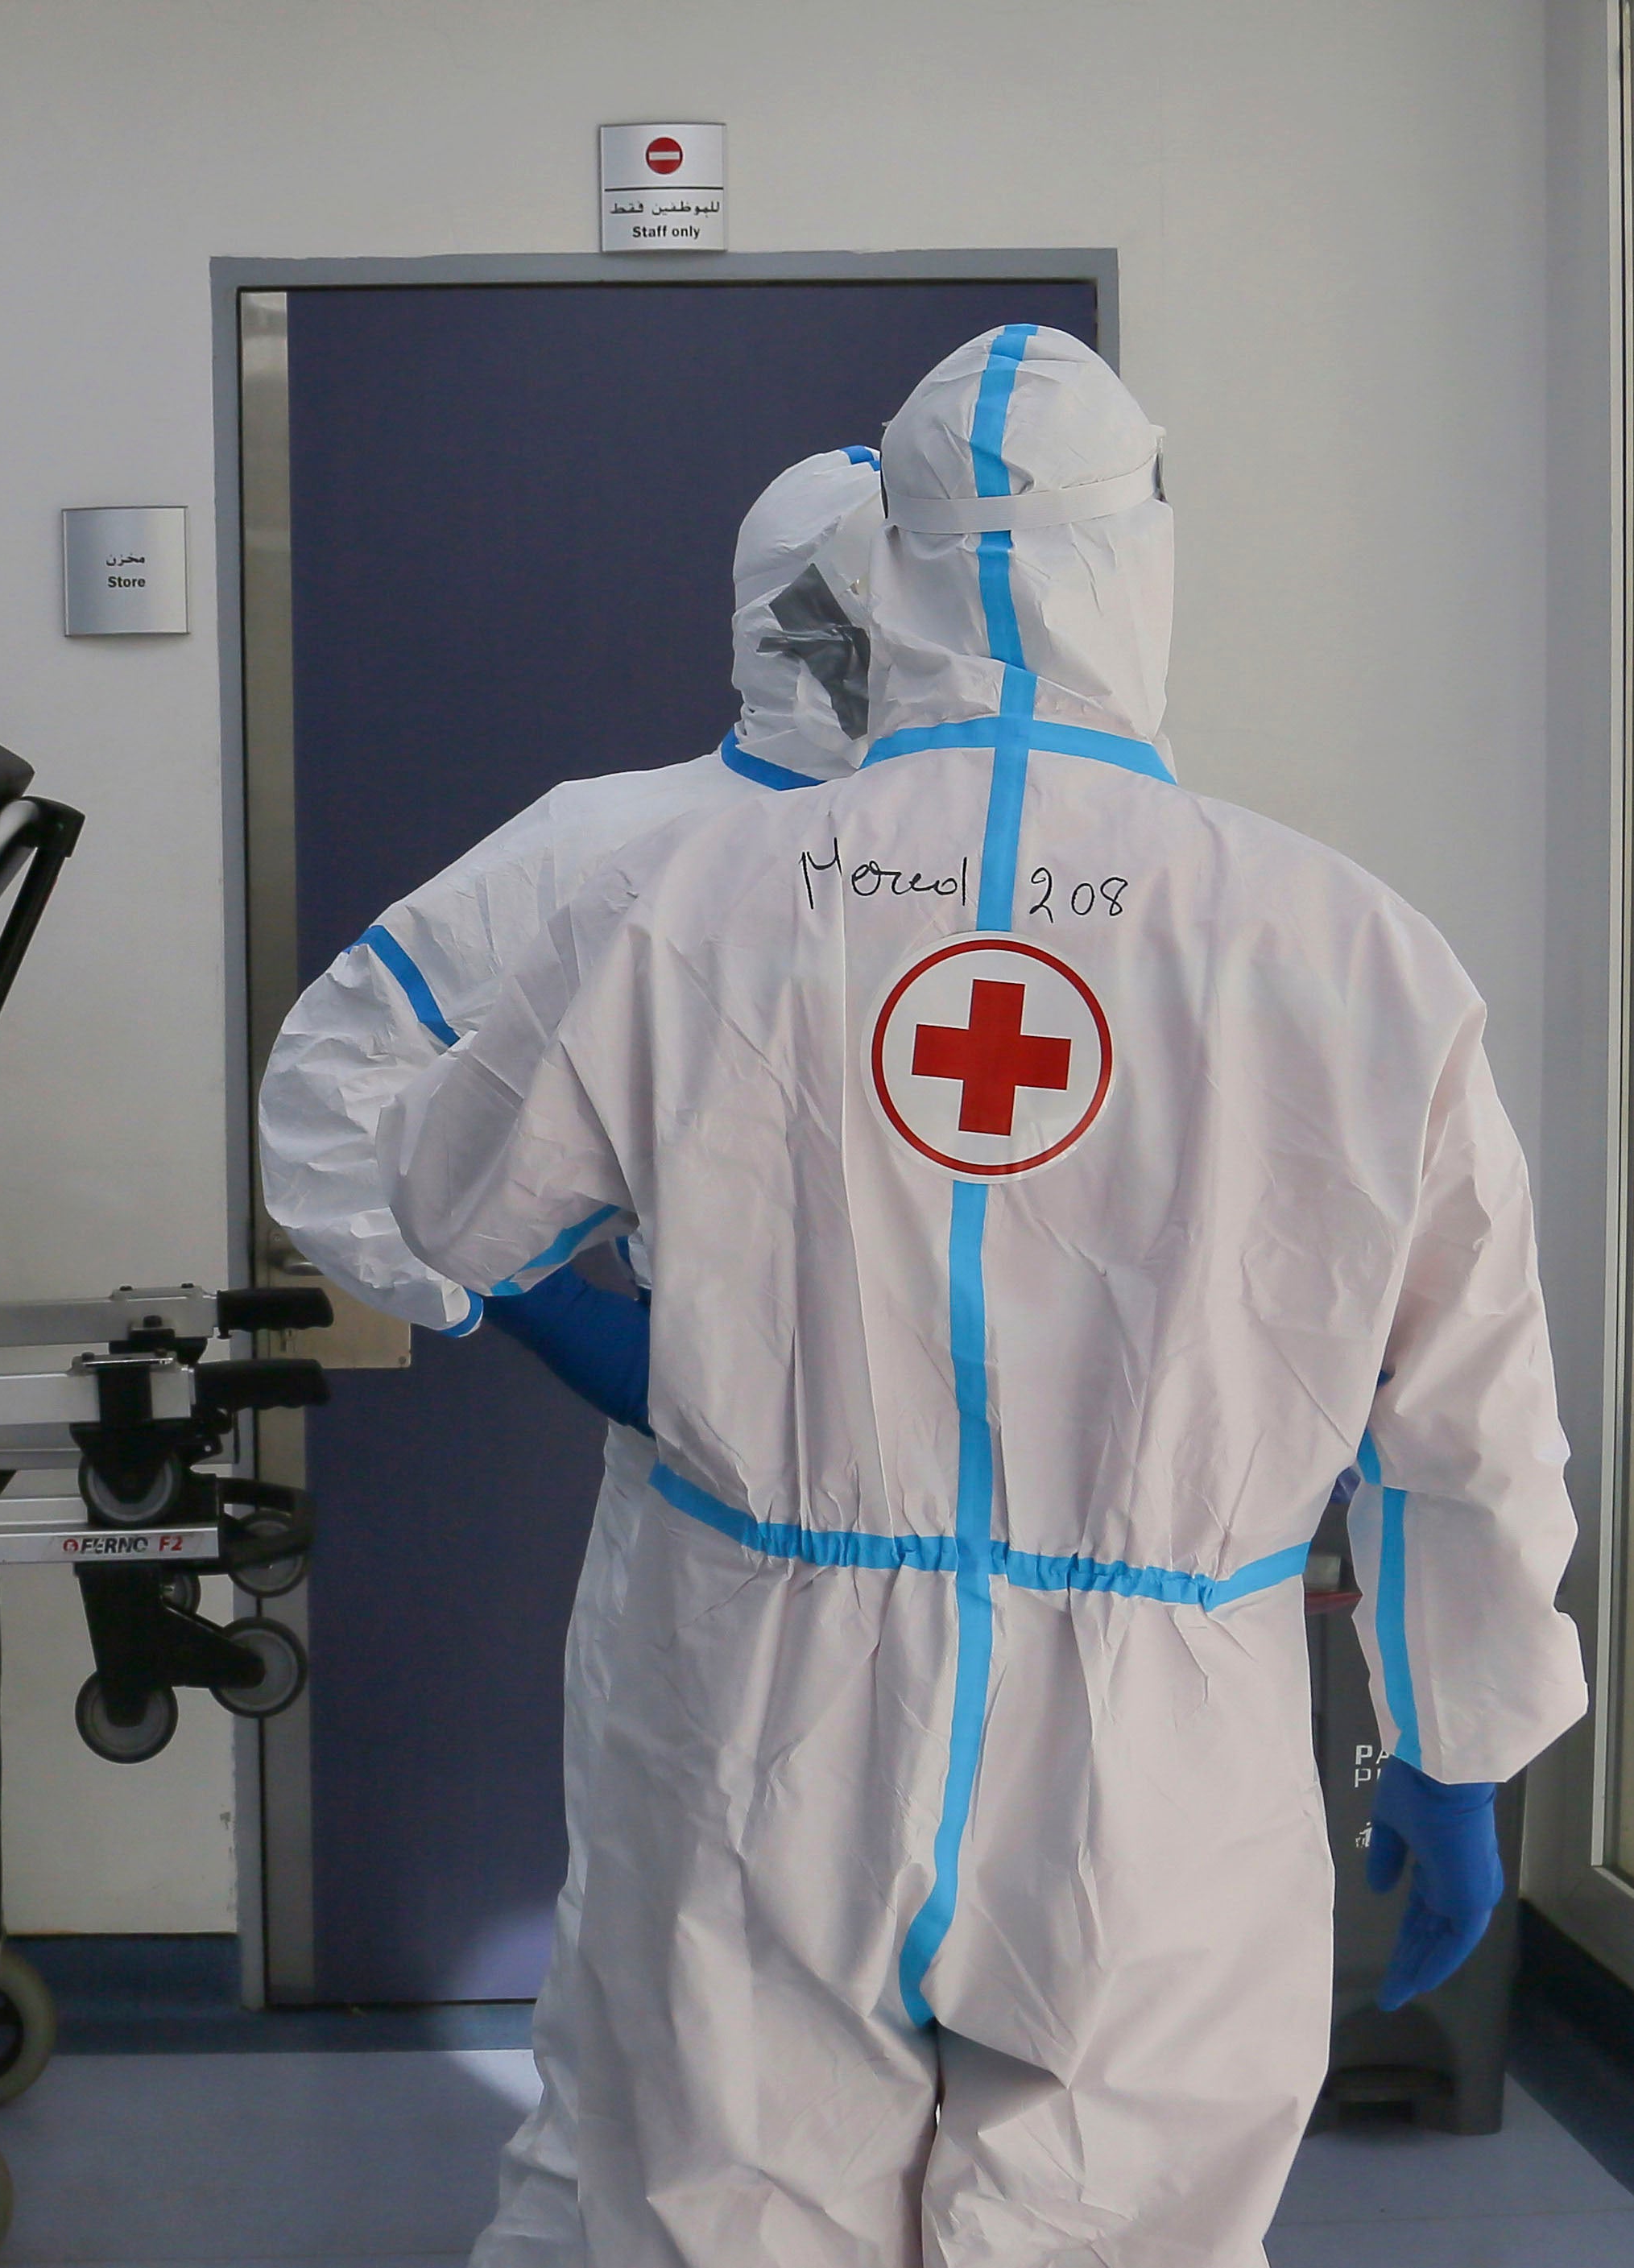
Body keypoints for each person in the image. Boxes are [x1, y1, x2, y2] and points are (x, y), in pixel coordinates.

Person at [379, 324, 1586, 2266]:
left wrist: (646, 1341)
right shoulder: (1346, 950)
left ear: (903, 569)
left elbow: (449, 1186)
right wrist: (1455, 1752)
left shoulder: (693, 897)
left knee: (723, 2220)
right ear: (1147, 564)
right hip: (1160, 1744)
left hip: (764, 1705)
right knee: (1123, 2233)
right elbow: (1466, 1416)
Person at [255, 446, 883, 2264]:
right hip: (709, 1522)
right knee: (650, 2010)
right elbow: (333, 1089)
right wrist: (533, 1300)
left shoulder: (1056, 866)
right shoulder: (617, 842)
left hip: (1001, 1536)